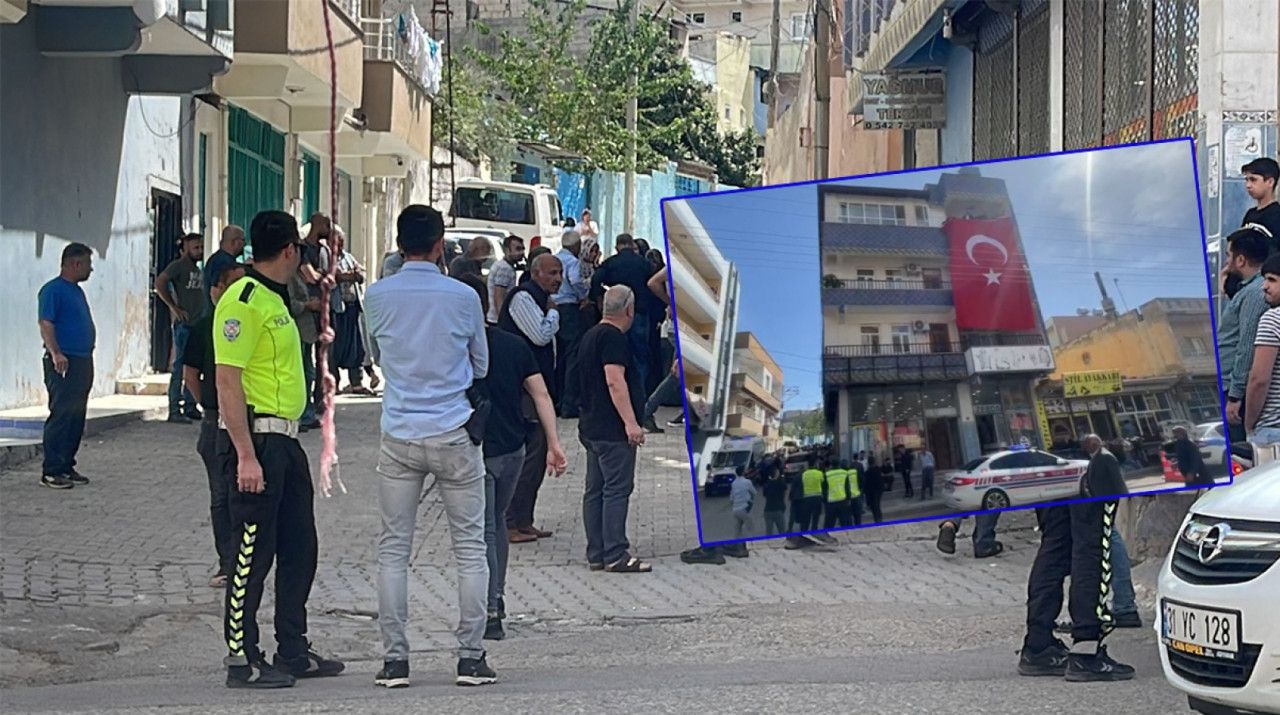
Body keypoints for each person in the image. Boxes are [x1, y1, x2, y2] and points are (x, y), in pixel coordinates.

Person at [363, 205, 496, 689]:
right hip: (453, 430)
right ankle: (471, 658)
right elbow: (481, 365)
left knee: (393, 549)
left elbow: (375, 355)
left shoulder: (376, 295)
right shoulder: (463, 296)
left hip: (399, 433)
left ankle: (395, 661)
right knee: (470, 548)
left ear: (400, 245)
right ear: (441, 246)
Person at [213, 210, 343, 689]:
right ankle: (241, 657)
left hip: (286, 441)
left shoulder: (274, 298)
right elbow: (227, 381)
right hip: (258, 443)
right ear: (289, 250)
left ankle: (292, 649)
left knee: (299, 548)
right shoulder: (243, 300)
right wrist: (245, 454)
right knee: (250, 554)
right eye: (299, 252)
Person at [455, 275, 567, 641]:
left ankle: (488, 610)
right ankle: (496, 599)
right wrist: (554, 443)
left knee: (484, 529)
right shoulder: (513, 345)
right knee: (498, 524)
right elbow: (541, 395)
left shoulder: (453, 349)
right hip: (513, 449)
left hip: (476, 450)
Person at [1018, 434, 1133, 682]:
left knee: (1054, 547)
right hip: (1087, 469)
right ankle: (1085, 649)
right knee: (1092, 549)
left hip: (1052, 467)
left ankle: (1038, 645)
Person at [578, 285, 650, 573]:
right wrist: (631, 423)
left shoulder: (589, 336)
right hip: (612, 429)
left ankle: (596, 552)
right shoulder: (614, 338)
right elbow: (614, 380)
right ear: (629, 309)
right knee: (616, 490)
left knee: (595, 490)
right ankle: (616, 553)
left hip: (591, 426)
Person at [183, 261, 246, 588]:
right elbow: (190, 374)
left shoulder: (252, 322)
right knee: (221, 496)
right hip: (215, 422)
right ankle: (228, 563)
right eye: (231, 285)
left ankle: (249, 561)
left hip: (251, 421)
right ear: (215, 291)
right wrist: (209, 405)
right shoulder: (204, 326)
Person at [497, 253, 563, 543]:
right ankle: (511, 521)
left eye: (559, 273)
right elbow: (540, 335)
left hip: (539, 387)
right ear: (535, 273)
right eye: (552, 273)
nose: (558, 279)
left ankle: (525, 520)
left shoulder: (541, 299)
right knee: (531, 453)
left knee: (537, 459)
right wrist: (554, 313)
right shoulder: (524, 298)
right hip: (523, 390)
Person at [36, 243, 97, 490]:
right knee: (62, 413)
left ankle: (66, 465)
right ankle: (51, 470)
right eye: (88, 264)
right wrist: (56, 353)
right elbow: (46, 323)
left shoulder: (76, 291)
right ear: (75, 263)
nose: (91, 269)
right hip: (63, 361)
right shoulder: (53, 290)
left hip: (82, 359)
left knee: (76, 415)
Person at [1220, 227, 1272, 445]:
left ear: (1240, 260)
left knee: (1241, 452)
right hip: (1232, 386)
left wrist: (1235, 396)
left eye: (1228, 256)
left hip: (1234, 391)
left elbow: (1247, 347)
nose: (1226, 263)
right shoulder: (1247, 290)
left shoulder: (1254, 294)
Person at [589, 234, 659, 393]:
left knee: (616, 355)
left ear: (617, 247)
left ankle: (620, 390)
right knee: (640, 356)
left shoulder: (611, 263)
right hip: (639, 313)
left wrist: (599, 299)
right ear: (632, 245)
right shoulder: (643, 263)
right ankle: (639, 393)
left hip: (616, 316)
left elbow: (596, 279)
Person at [156, 233, 210, 423]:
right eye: (195, 247)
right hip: (184, 325)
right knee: (179, 367)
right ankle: (174, 409)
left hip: (197, 324)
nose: (199, 251)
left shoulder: (197, 269)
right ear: (185, 248)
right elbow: (160, 282)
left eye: (201, 247)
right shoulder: (178, 266)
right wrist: (174, 307)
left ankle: (189, 405)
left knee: (193, 366)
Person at [327, 229, 371, 395]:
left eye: (341, 243)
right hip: (337, 309)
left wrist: (351, 275)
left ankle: (356, 382)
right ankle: (334, 384)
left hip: (352, 308)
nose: (339, 246)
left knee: (355, 347)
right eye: (336, 243)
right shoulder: (327, 258)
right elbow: (335, 277)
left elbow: (360, 276)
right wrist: (348, 276)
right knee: (334, 349)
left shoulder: (348, 257)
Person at [297, 214, 332, 420]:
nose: (329, 229)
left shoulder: (324, 250)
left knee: (323, 359)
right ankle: (305, 408)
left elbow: (325, 276)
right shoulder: (303, 249)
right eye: (326, 224)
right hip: (306, 313)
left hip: (323, 310)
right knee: (305, 363)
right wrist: (322, 276)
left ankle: (320, 399)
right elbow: (311, 276)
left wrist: (323, 275)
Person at [551, 231, 589, 418]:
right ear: (576, 246)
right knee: (572, 356)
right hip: (569, 309)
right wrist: (583, 296)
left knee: (558, 356)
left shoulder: (553, 259)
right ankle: (569, 404)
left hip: (553, 307)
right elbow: (575, 280)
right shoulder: (573, 262)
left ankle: (556, 401)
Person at [203, 225, 245, 309]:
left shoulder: (217, 259)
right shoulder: (223, 262)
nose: (244, 244)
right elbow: (215, 290)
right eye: (243, 240)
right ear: (235, 242)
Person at [487, 235, 525, 325]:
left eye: (523, 249)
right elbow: (499, 296)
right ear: (507, 250)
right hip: (497, 320)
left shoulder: (501, 265)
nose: (522, 252)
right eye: (518, 249)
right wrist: (503, 320)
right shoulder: (505, 268)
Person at [822, 461, 855, 529]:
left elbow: (824, 490)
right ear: (839, 464)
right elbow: (847, 487)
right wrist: (848, 499)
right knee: (844, 523)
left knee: (829, 525)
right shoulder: (844, 473)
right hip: (842, 501)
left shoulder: (827, 474)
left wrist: (825, 501)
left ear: (831, 465)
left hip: (831, 502)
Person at [729, 471, 756, 545]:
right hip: (745, 508)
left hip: (735, 509)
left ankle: (736, 545)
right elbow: (754, 492)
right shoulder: (747, 482)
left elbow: (731, 498)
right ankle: (751, 544)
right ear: (743, 473)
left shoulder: (733, 483)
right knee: (750, 529)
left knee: (737, 531)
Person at [761, 467, 788, 536]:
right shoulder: (781, 483)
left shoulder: (766, 484)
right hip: (778, 509)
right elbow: (785, 493)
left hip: (767, 510)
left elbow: (765, 496)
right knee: (782, 531)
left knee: (769, 532)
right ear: (776, 474)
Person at [862, 455, 884, 523]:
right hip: (878, 490)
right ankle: (879, 518)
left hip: (872, 491)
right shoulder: (878, 470)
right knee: (877, 505)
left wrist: (865, 491)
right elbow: (881, 480)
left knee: (875, 506)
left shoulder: (867, 472)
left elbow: (866, 483)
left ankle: (877, 519)